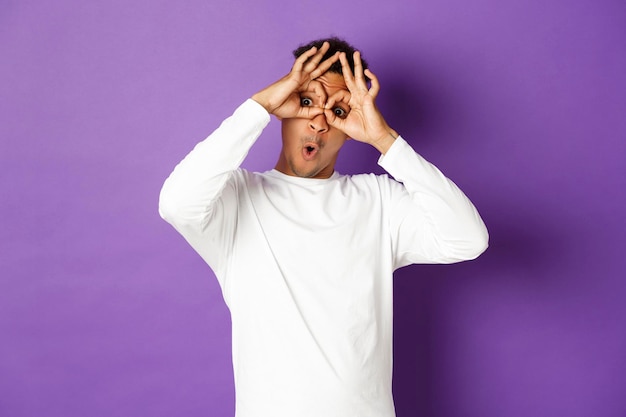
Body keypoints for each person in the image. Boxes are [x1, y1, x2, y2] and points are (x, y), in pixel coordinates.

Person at [159, 37, 488, 417]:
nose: (318, 121)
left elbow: (468, 239)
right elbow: (176, 202)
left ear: (352, 126)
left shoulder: (379, 201)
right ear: (285, 107)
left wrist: (385, 140)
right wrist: (260, 107)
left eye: (338, 110)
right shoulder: (235, 200)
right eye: (306, 101)